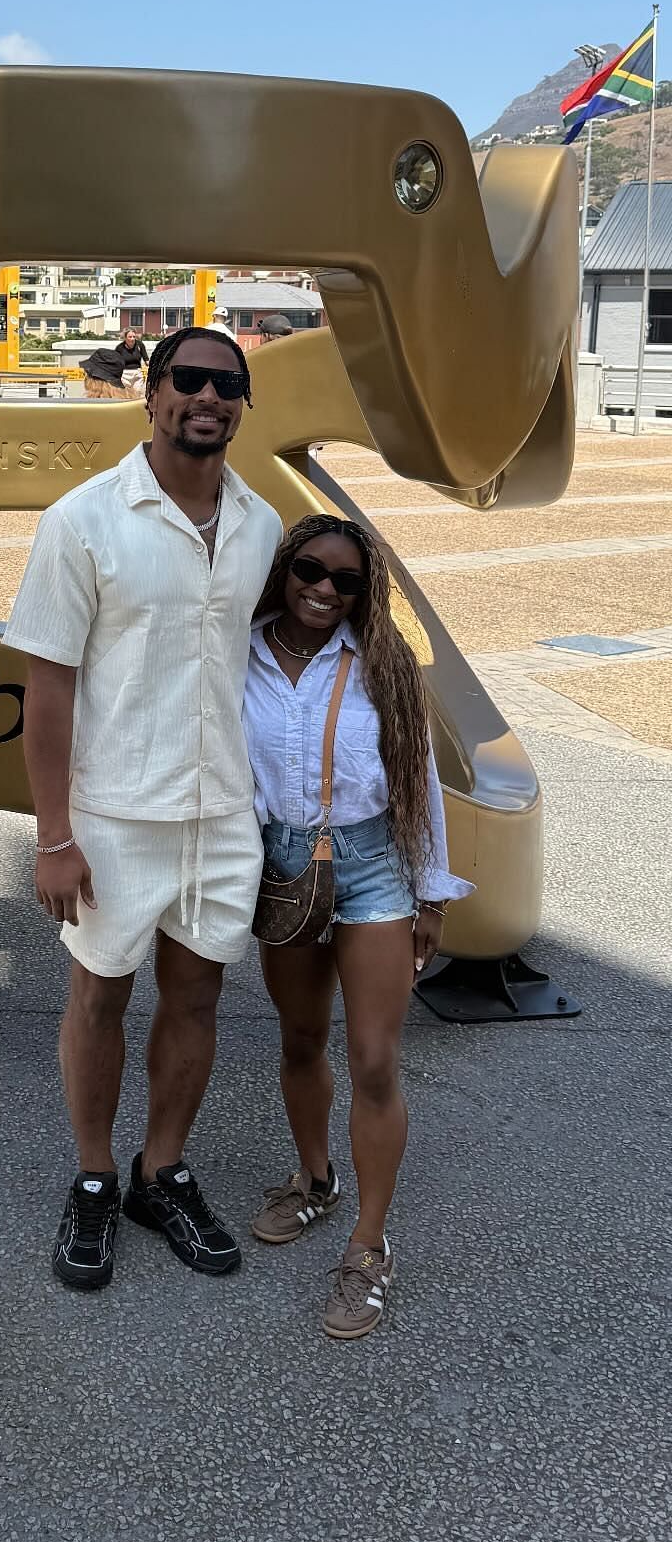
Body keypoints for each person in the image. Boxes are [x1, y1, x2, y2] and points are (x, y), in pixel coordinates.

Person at [6, 325, 281, 1290]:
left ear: (243, 405)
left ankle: (160, 1171)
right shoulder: (83, 521)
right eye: (188, 381)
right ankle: (91, 1177)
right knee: (100, 995)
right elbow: (48, 688)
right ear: (150, 395)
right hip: (116, 814)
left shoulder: (262, 525)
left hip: (222, 814)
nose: (207, 398)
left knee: (198, 997)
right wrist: (53, 838)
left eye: (227, 385)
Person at [241, 514, 472, 1340]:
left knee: (375, 1058)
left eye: (348, 581)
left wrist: (432, 895)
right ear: (285, 569)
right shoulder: (242, 654)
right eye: (311, 569)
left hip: (376, 867)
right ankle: (315, 1182)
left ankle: (369, 1249)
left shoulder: (384, 665)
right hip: (284, 865)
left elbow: (421, 781)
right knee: (301, 1039)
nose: (326, 590)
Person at [80, 328, 148, 399]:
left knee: (136, 392)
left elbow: (146, 358)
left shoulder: (139, 345)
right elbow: (116, 361)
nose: (132, 339)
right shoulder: (120, 347)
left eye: (134, 337)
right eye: (130, 337)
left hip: (136, 372)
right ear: (125, 338)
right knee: (129, 394)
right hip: (124, 373)